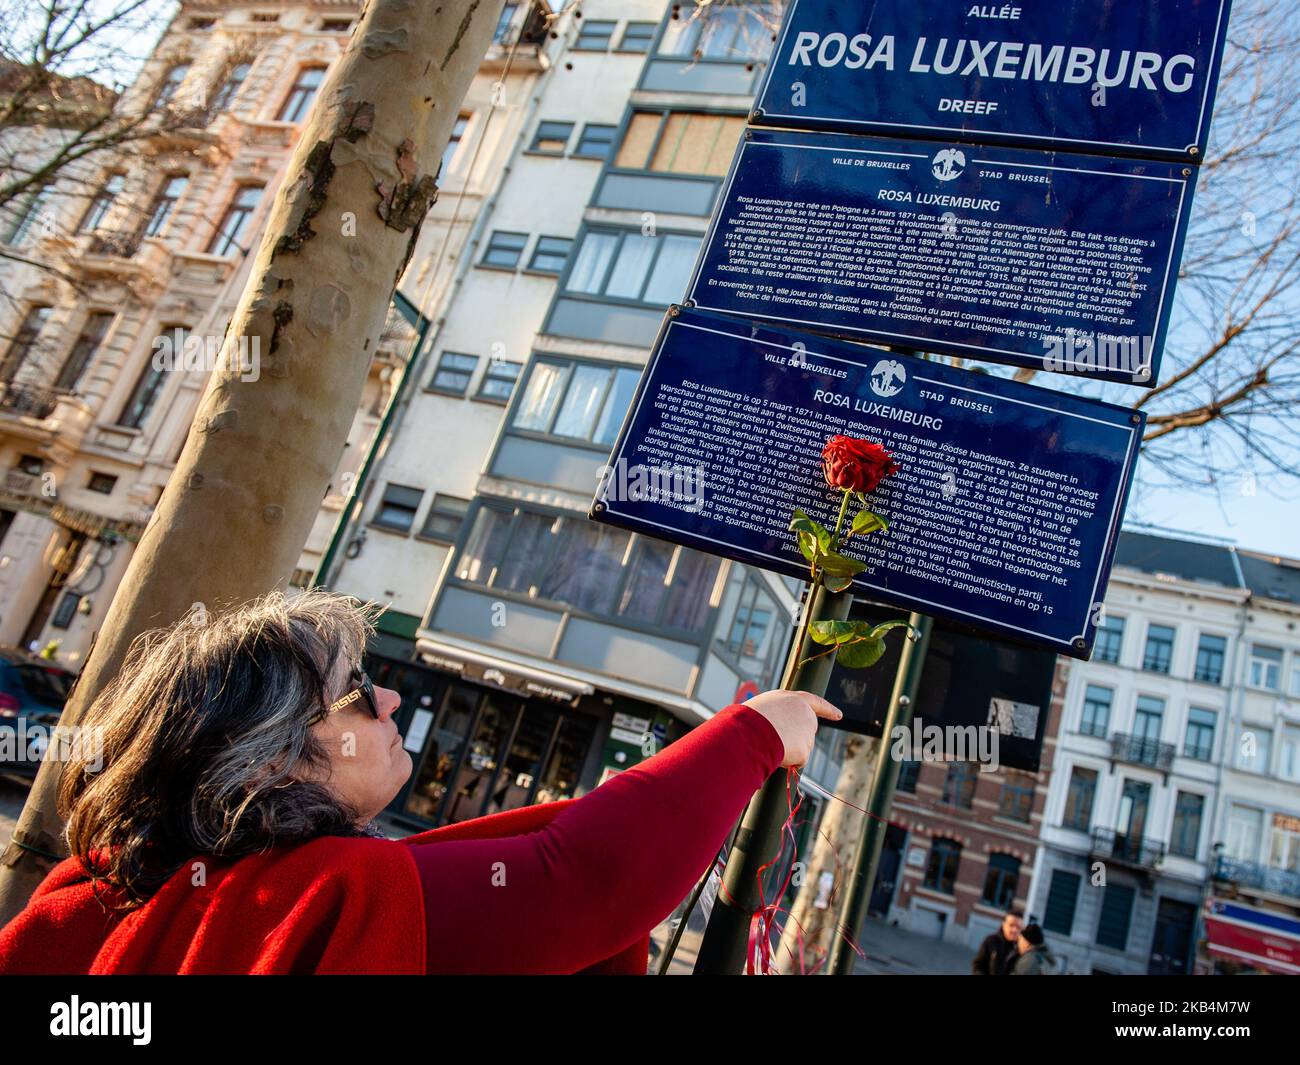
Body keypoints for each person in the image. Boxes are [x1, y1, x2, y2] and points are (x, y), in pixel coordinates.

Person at [0, 590, 840, 975]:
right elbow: (577, 879)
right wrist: (757, 731)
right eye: (360, 691)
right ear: (268, 757)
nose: (392, 695)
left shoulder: (95, 895)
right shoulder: (311, 899)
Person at [971, 910, 1023, 975]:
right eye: (1011, 925)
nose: (1014, 930)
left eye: (1018, 927)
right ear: (1003, 924)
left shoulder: (1021, 950)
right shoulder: (991, 941)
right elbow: (978, 966)